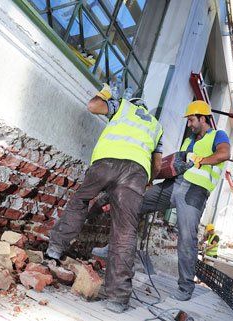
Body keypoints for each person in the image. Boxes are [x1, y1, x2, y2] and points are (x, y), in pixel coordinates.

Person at [45, 83, 163, 313]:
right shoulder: (156, 126)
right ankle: (117, 299)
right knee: (125, 231)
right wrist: (147, 180)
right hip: (136, 174)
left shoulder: (122, 107)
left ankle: (54, 250)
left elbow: (93, 106)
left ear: (134, 103)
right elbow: (157, 164)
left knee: (81, 201)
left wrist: (105, 92)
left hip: (106, 164)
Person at [139, 100, 230, 301]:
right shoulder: (189, 139)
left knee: (187, 239)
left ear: (203, 118)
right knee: (135, 203)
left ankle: (186, 287)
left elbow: (225, 153)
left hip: (194, 192)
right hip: (174, 185)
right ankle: (117, 248)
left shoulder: (218, 135)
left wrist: (202, 160)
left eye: (191, 120)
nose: (189, 124)